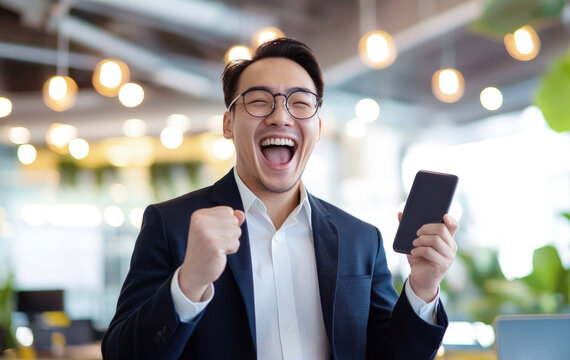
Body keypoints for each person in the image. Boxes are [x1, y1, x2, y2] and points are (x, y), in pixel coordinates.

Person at [101, 38, 458, 360]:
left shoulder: (360, 239)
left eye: (300, 104)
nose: (280, 117)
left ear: (317, 130)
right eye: (259, 102)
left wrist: (423, 289)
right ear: (228, 124)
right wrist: (188, 282)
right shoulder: (172, 225)